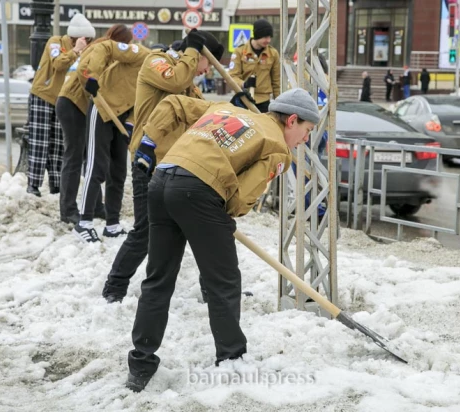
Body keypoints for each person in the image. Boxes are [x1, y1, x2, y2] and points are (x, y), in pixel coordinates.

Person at [124, 88, 320, 392]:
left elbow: (174, 102)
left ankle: (140, 364)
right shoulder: (277, 147)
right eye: (306, 131)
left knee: (158, 278)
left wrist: (150, 140)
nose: (304, 139)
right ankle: (232, 359)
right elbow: (242, 197)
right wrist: (222, 217)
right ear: (291, 120)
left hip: (161, 180)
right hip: (198, 190)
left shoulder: (223, 109)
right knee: (224, 281)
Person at [101, 29, 225, 303]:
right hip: (149, 161)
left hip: (179, 166)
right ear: (200, 56)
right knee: (145, 231)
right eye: (209, 64)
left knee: (200, 229)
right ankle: (114, 287)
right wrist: (194, 51)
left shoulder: (189, 83)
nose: (206, 71)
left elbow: (203, 114)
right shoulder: (157, 63)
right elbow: (175, 80)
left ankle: (213, 290)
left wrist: (233, 110)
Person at [72, 40, 151, 242]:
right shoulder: (141, 54)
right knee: (97, 166)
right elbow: (105, 47)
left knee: (118, 172)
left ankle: (112, 224)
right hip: (102, 107)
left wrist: (131, 125)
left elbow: (143, 104)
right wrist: (93, 76)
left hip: (123, 118)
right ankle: (84, 222)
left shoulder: (163, 80)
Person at [57, 24, 133, 225]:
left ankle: (97, 206)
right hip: (72, 103)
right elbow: (86, 72)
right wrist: (92, 86)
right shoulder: (101, 48)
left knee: (91, 158)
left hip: (84, 107)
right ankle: (68, 210)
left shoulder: (110, 51)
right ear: (122, 42)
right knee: (74, 157)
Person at [26, 13, 95, 197]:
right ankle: (33, 183)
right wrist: (76, 51)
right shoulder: (55, 42)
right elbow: (58, 64)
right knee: (40, 141)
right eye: (85, 39)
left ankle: (56, 184)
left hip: (63, 100)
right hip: (43, 95)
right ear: (76, 37)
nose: (87, 43)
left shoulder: (83, 51)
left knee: (58, 143)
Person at [229, 19, 280, 113]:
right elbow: (232, 77)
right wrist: (244, 84)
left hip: (263, 102)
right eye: (265, 37)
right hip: (244, 99)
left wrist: (279, 104)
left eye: (270, 37)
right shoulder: (240, 52)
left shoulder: (273, 54)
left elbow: (277, 82)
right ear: (257, 36)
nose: (268, 40)